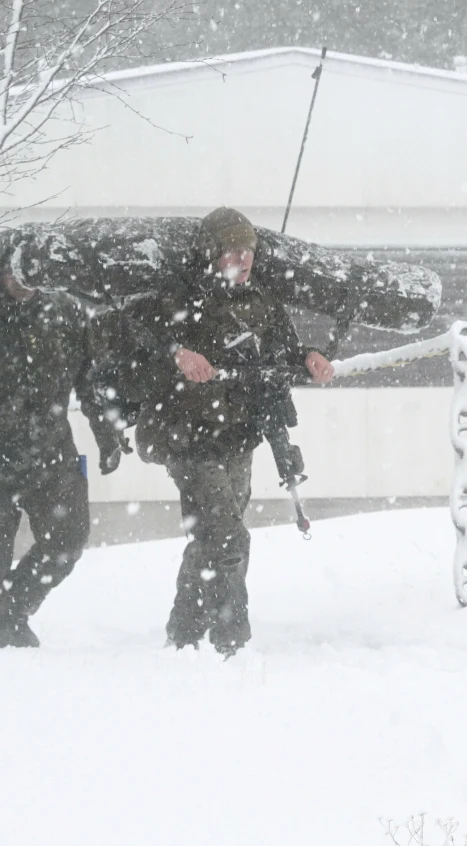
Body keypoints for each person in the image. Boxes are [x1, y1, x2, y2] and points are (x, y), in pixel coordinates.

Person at [125, 207, 334, 656]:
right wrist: (179, 352)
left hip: (238, 434)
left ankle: (182, 636)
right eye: (232, 251)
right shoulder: (181, 293)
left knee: (213, 538)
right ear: (212, 253)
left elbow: (284, 349)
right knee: (229, 537)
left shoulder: (260, 297)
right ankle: (231, 643)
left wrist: (310, 357)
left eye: (249, 251)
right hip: (185, 435)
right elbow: (136, 330)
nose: (243, 259)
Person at [0, 234, 127, 647]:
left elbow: (91, 382)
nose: (22, 279)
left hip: (52, 456)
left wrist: (107, 435)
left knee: (68, 541)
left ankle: (11, 611)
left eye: (30, 270)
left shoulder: (66, 314)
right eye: (13, 270)